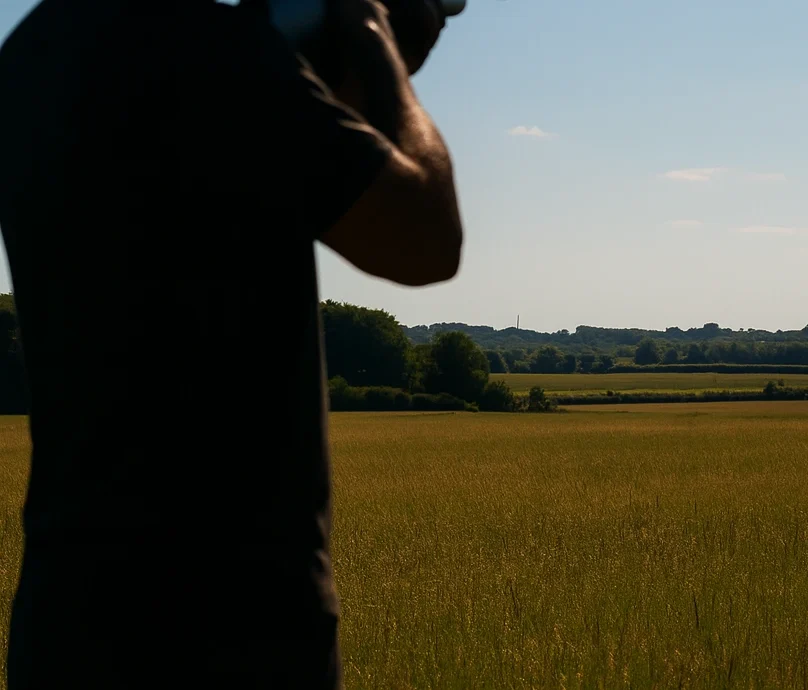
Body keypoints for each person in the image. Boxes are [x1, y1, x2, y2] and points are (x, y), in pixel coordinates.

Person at [0, 0, 462, 686]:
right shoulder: (219, 55)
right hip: (238, 625)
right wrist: (372, 39)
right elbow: (426, 238)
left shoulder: (32, 54)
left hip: (65, 623)